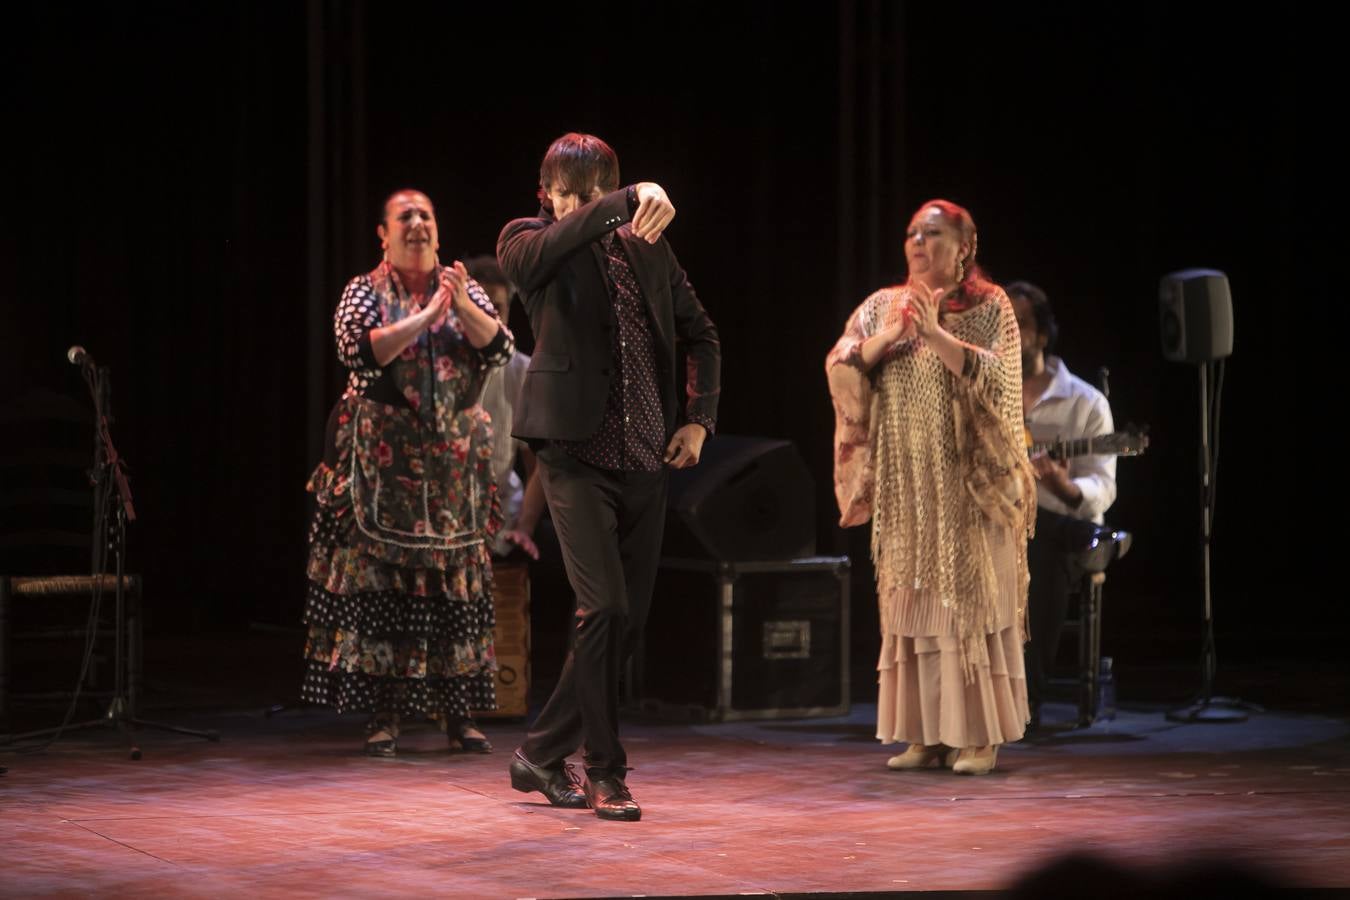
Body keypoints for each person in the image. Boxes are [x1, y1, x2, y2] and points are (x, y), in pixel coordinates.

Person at [497, 133, 721, 820]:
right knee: (606, 609)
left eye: (598, 192)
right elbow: (539, 255)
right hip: (572, 454)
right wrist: (625, 199)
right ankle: (606, 770)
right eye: (576, 194)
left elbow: (702, 332)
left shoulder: (648, 248)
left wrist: (699, 419)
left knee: (623, 621)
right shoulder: (526, 240)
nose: (588, 206)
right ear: (552, 195)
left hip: (646, 454)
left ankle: (538, 754)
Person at [301, 189, 514, 757]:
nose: (417, 223)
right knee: (385, 590)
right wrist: (424, 317)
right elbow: (360, 353)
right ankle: (386, 714)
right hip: (383, 466)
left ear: (438, 232)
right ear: (384, 234)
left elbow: (499, 349)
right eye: (405, 217)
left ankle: (459, 714)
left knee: (454, 590)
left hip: (452, 471)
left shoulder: (463, 286)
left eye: (426, 216)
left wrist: (459, 304)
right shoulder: (363, 292)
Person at [827, 199, 1035, 776]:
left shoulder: (992, 307)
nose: (919, 242)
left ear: (964, 246)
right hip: (907, 485)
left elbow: (1000, 381)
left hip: (969, 486)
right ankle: (925, 734)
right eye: (912, 233)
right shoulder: (879, 308)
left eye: (934, 234)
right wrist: (895, 332)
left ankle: (978, 737)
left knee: (971, 605)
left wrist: (937, 333)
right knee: (912, 608)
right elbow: (841, 367)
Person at [1006, 281, 1116, 726]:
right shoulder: (984, 398)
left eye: (1021, 324)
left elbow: (1100, 491)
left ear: (1043, 334)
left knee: (1036, 545)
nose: (1011, 335)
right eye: (1003, 327)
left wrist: (1059, 483)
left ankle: (1023, 699)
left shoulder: (1085, 402)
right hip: (998, 523)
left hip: (1066, 527)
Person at [462, 255, 545, 562]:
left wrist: (524, 526)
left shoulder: (521, 372)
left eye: (498, 308)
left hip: (497, 522)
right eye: (479, 305)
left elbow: (539, 462)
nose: (489, 316)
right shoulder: (439, 364)